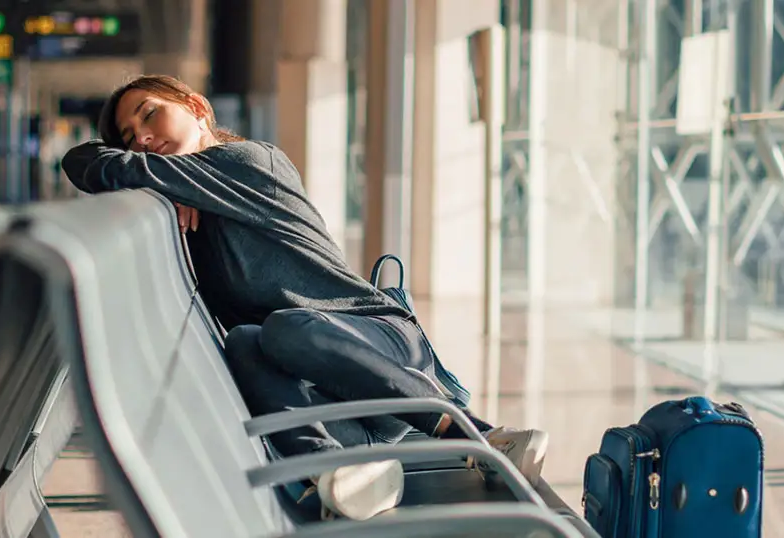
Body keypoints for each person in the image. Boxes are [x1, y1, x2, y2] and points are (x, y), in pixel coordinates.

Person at [61, 74, 549, 521]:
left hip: (380, 344)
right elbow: (81, 161)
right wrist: (167, 181)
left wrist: (158, 175)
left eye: (148, 114)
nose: (142, 139)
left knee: (284, 326)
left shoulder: (251, 162)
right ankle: (341, 475)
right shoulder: (191, 192)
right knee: (246, 342)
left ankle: (476, 435)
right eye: (129, 138)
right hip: (336, 405)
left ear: (196, 107)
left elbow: (99, 167)